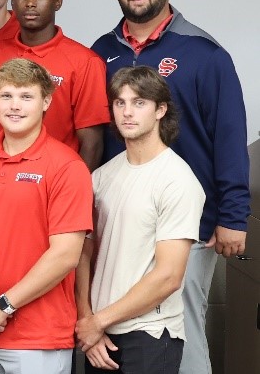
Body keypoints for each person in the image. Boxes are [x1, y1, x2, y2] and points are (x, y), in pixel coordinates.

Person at [90, 0, 249, 374]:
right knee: (120, 325)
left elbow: (229, 135)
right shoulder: (103, 50)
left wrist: (234, 215)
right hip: (120, 219)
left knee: (181, 331)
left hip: (189, 223)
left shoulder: (204, 52)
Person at [0, 59, 92, 374]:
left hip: (40, 337)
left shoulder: (67, 167)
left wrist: (2, 306)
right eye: (6, 96)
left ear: (46, 101)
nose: (14, 106)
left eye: (26, 97)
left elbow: (66, 255)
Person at [75, 66, 205, 374]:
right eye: (120, 102)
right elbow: (83, 253)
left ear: (161, 110)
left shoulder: (177, 180)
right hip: (100, 337)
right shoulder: (102, 177)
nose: (127, 112)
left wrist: (97, 322)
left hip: (150, 334)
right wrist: (87, 322)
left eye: (139, 102)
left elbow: (168, 276)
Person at [0, 0, 108, 168]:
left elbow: (92, 144)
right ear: (12, 0)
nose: (31, 3)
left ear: (57, 2)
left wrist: (72, 189)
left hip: (55, 179)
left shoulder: (85, 62)